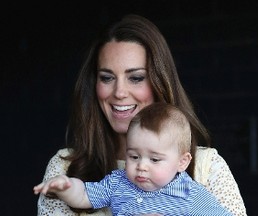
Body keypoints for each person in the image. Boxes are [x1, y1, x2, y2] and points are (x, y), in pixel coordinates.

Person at [37, 14, 247, 215]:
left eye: (136, 78)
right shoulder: (77, 170)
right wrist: (68, 187)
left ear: (160, 82)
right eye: (107, 78)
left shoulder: (201, 175)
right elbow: (82, 194)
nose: (119, 93)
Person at [34, 103, 232, 215]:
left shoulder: (189, 193)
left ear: (182, 162)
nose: (141, 167)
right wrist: (68, 186)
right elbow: (84, 196)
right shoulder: (118, 183)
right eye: (134, 156)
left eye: (155, 160)